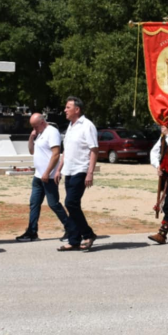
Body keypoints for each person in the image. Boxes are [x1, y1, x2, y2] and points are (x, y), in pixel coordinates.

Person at [56, 96, 98, 252]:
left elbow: (94, 150)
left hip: (81, 170)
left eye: (68, 107)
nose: (65, 110)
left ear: (77, 109)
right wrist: (59, 169)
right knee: (73, 206)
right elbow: (66, 150)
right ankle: (74, 240)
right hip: (69, 170)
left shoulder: (87, 126)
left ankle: (88, 234)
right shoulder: (71, 126)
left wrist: (90, 172)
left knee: (70, 203)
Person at [17, 113, 68, 242]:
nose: (34, 128)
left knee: (53, 204)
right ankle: (32, 232)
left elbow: (56, 154)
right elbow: (32, 151)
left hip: (48, 177)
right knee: (34, 203)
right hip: (38, 176)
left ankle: (71, 228)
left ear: (42, 122)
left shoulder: (52, 132)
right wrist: (31, 137)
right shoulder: (39, 133)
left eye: (35, 126)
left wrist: (47, 172)